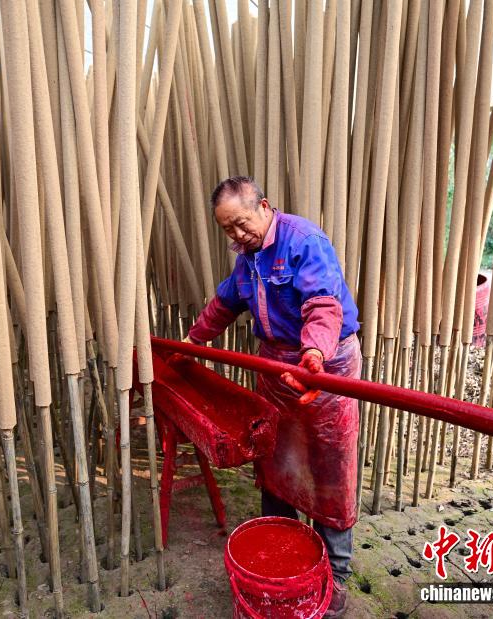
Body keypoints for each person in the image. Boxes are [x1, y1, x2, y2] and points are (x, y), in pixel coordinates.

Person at [186, 176, 361, 618]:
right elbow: (225, 304)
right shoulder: (246, 259)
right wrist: (192, 343)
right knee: (276, 459)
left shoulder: (304, 241)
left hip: (323, 364)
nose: (237, 236)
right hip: (275, 367)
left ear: (264, 207)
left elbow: (323, 304)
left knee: (329, 467)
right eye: (227, 229)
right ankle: (284, 553)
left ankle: (336, 576)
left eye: (242, 224)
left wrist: (314, 355)